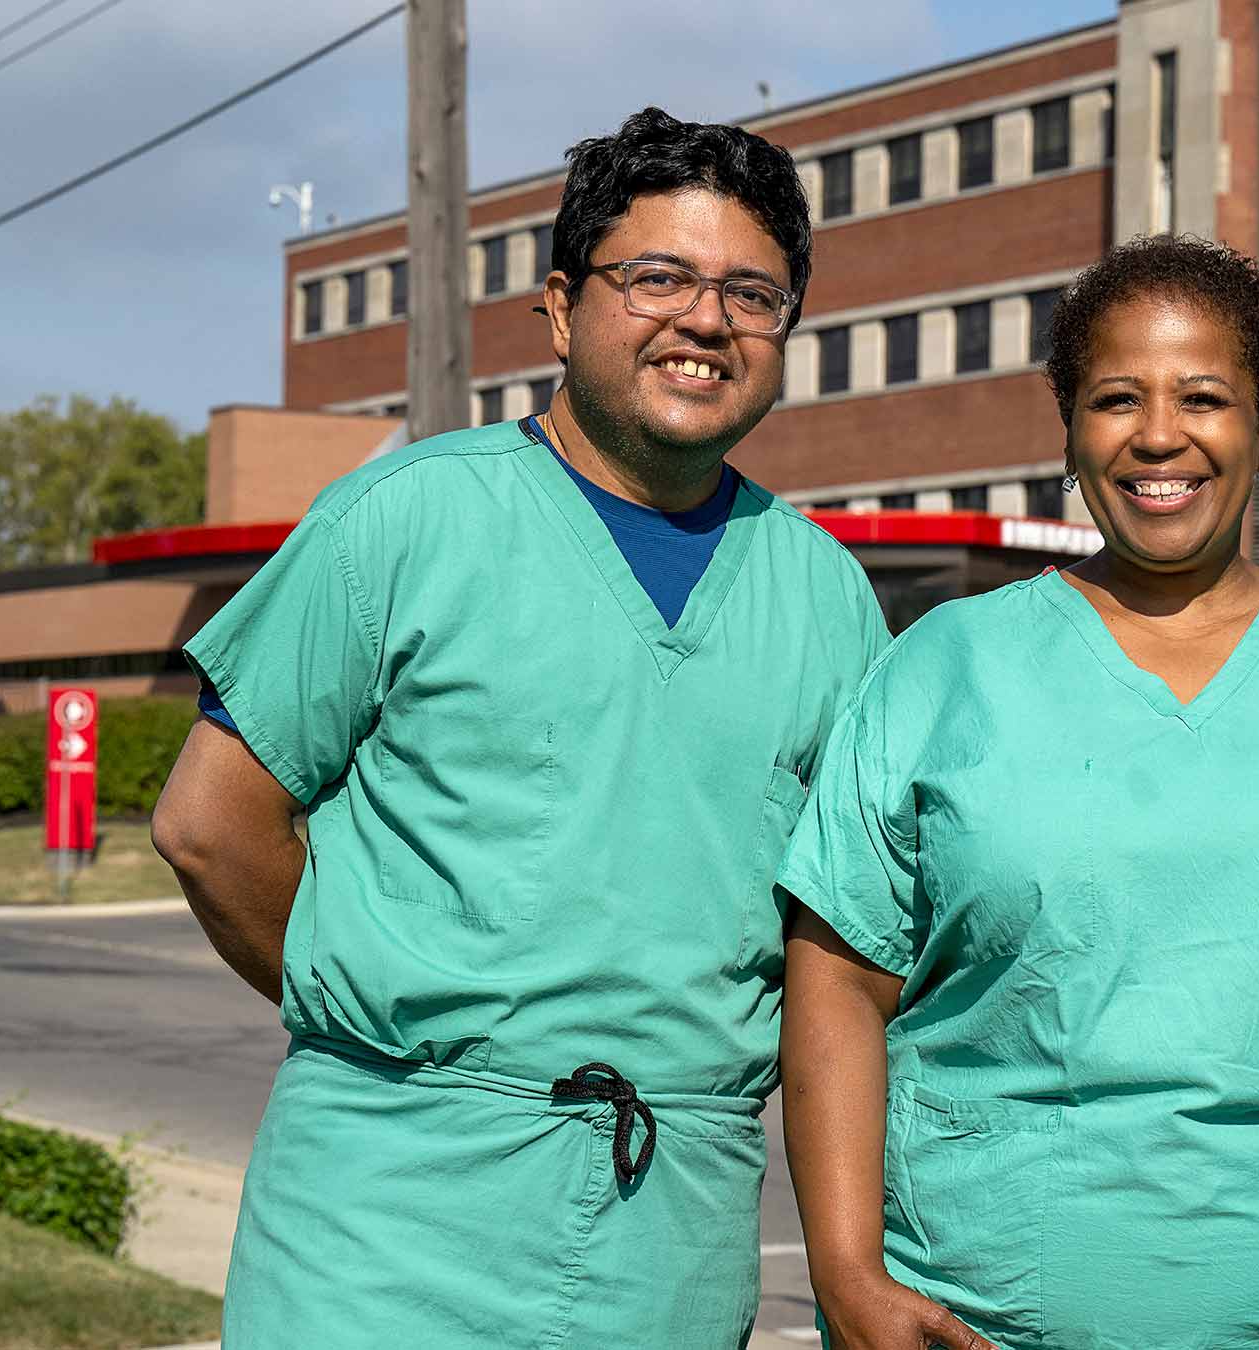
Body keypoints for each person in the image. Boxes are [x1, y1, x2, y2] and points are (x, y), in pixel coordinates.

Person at [150, 108, 888, 1347]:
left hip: (677, 1230)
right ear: (559, 307)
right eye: (657, 277)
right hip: (385, 1220)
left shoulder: (826, 599)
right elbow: (211, 827)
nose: (705, 321)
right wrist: (401, 1022)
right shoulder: (402, 521)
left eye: (752, 294)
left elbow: (849, 953)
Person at [777, 235, 1259, 1350]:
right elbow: (838, 979)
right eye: (1116, 398)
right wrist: (843, 1275)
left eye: (1204, 397)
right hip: (968, 1318)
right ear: (1069, 431)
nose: (1159, 435)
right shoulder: (942, 668)